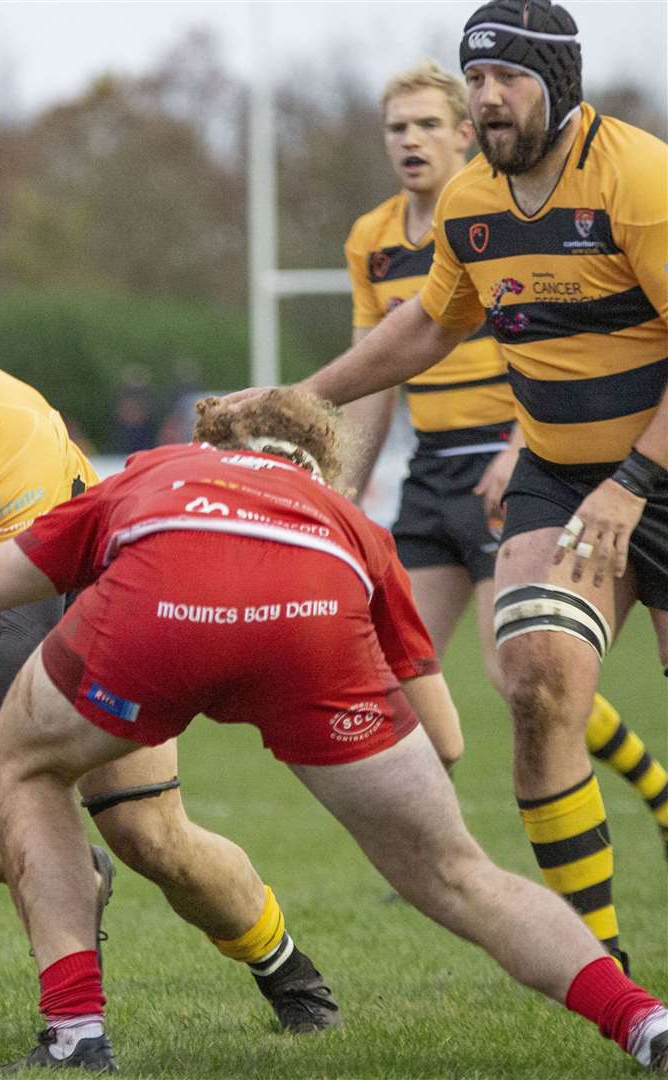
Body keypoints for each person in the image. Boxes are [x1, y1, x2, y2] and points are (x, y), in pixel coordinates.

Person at [0, 390, 668, 1073]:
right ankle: (641, 1018)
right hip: (311, 625)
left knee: (30, 768)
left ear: (218, 444)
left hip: (154, 621)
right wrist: (389, 780)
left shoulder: (157, 469)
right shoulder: (352, 523)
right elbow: (446, 732)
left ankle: (75, 1033)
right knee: (459, 874)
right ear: (318, 464)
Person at [231, 0, 667, 969]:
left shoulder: (636, 176)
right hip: (556, 473)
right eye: (473, 80)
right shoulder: (472, 206)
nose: (485, 98)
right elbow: (426, 328)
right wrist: (294, 395)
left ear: (555, 81)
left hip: (655, 469)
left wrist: (634, 480)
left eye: (504, 78)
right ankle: (597, 967)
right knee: (533, 680)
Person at [0, 310, 345, 1035]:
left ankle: (287, 971)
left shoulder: (0, 423)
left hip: (90, 613)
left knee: (150, 835)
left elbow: (28, 625)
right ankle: (76, 876)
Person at [342, 59, 667, 844]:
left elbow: (565, 351)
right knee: (403, 668)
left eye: (427, 125)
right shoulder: (375, 240)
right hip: (432, 474)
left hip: (516, 461)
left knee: (517, 669)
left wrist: (522, 446)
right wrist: (342, 489)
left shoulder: (527, 209)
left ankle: (654, 792)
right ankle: (441, 846)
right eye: (396, 127)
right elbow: (382, 369)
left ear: (464, 134)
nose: (410, 141)